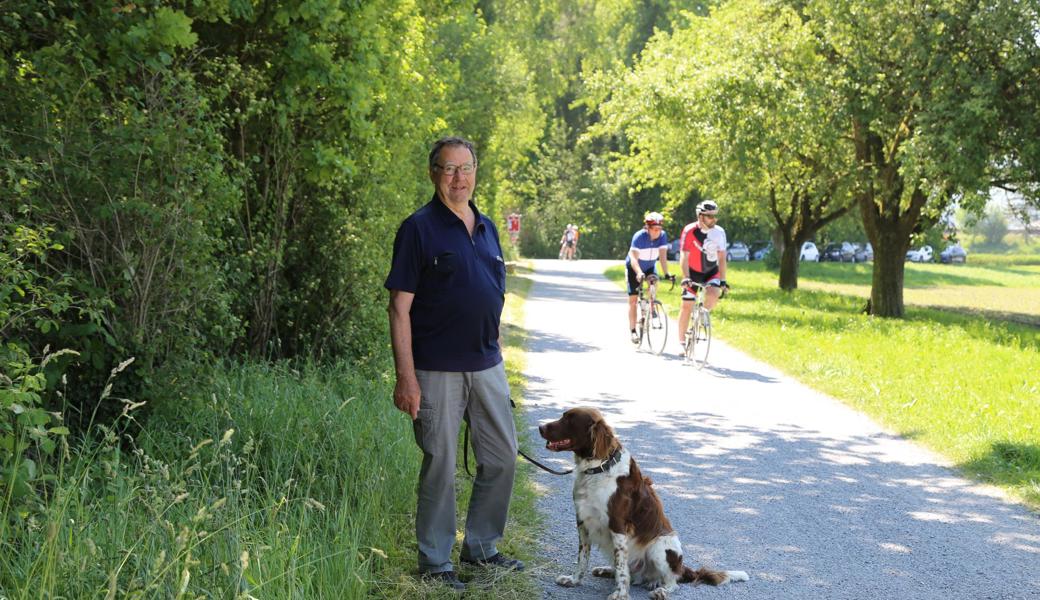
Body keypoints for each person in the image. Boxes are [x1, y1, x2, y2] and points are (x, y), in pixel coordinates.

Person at [385, 136, 522, 592]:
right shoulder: (418, 229)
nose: (458, 179)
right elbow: (399, 308)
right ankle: (435, 562)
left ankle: (482, 549)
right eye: (449, 170)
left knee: (502, 458)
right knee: (440, 465)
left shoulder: (486, 227)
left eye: (466, 169)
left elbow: (490, 291)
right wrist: (406, 377)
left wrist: (496, 343)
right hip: (435, 370)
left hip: (487, 366)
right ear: (433, 174)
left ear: (476, 172)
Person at [677, 200, 728, 348]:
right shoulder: (689, 230)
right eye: (710, 216)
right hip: (692, 273)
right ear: (700, 216)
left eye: (715, 216)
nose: (714, 219)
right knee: (687, 305)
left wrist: (723, 281)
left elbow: (722, 258)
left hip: (711, 271)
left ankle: (701, 317)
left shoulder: (719, 232)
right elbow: (684, 256)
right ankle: (681, 341)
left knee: (714, 294)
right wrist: (686, 277)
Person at [626, 212, 672, 343]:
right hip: (634, 268)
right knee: (633, 300)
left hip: (650, 266)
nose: (658, 232)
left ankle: (651, 307)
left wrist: (666, 273)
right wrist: (639, 273)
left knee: (654, 281)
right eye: (655, 229)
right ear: (648, 227)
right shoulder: (639, 236)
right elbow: (633, 259)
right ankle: (633, 331)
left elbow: (663, 256)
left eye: (660, 229)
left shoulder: (662, 236)